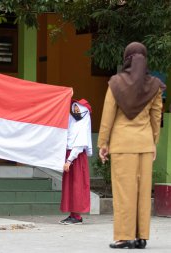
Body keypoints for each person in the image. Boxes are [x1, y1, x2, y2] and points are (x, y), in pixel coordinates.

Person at [98, 42, 164, 249]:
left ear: (126, 59)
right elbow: (156, 117)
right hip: (144, 145)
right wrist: (153, 143)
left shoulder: (116, 84)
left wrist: (103, 142)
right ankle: (141, 236)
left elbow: (108, 116)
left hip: (122, 145)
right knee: (144, 193)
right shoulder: (154, 85)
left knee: (124, 192)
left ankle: (124, 236)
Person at [59, 99, 93, 225]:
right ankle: (72, 214)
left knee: (76, 185)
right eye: (74, 108)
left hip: (76, 158)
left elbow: (79, 144)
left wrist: (69, 160)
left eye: (78, 108)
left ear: (84, 111)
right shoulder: (72, 121)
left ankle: (77, 216)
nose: (75, 111)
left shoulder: (84, 122)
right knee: (70, 186)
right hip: (70, 156)